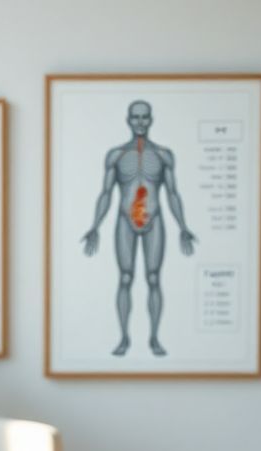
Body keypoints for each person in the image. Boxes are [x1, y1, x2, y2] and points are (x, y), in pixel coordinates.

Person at [81, 101, 196, 356]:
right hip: (125, 220)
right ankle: (124, 338)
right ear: (128, 120)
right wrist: (95, 226)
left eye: (145, 117)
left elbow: (173, 194)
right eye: (136, 117)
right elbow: (106, 193)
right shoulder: (116, 155)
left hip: (154, 220)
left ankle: (154, 338)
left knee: (154, 278)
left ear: (151, 119)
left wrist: (183, 226)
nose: (140, 122)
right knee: (125, 278)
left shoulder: (165, 155)